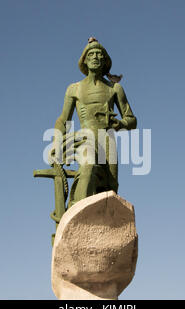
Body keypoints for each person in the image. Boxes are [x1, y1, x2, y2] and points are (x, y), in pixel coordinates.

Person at [52, 38, 137, 209]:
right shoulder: (74, 89)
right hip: (85, 138)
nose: (96, 57)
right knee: (89, 165)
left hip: (108, 140)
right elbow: (63, 119)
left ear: (106, 61)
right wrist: (56, 141)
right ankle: (77, 213)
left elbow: (132, 120)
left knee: (111, 190)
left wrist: (120, 124)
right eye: (91, 54)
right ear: (84, 60)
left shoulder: (115, 88)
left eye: (100, 54)